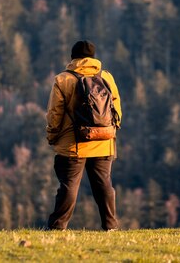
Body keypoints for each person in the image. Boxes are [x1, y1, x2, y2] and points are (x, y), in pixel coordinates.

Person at [45, 40, 122, 231]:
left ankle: (57, 227)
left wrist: (52, 136)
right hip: (104, 140)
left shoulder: (63, 79)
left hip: (73, 144)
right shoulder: (106, 76)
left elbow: (55, 113)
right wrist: (112, 130)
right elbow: (116, 107)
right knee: (104, 184)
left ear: (73, 58)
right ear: (93, 58)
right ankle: (111, 226)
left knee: (69, 186)